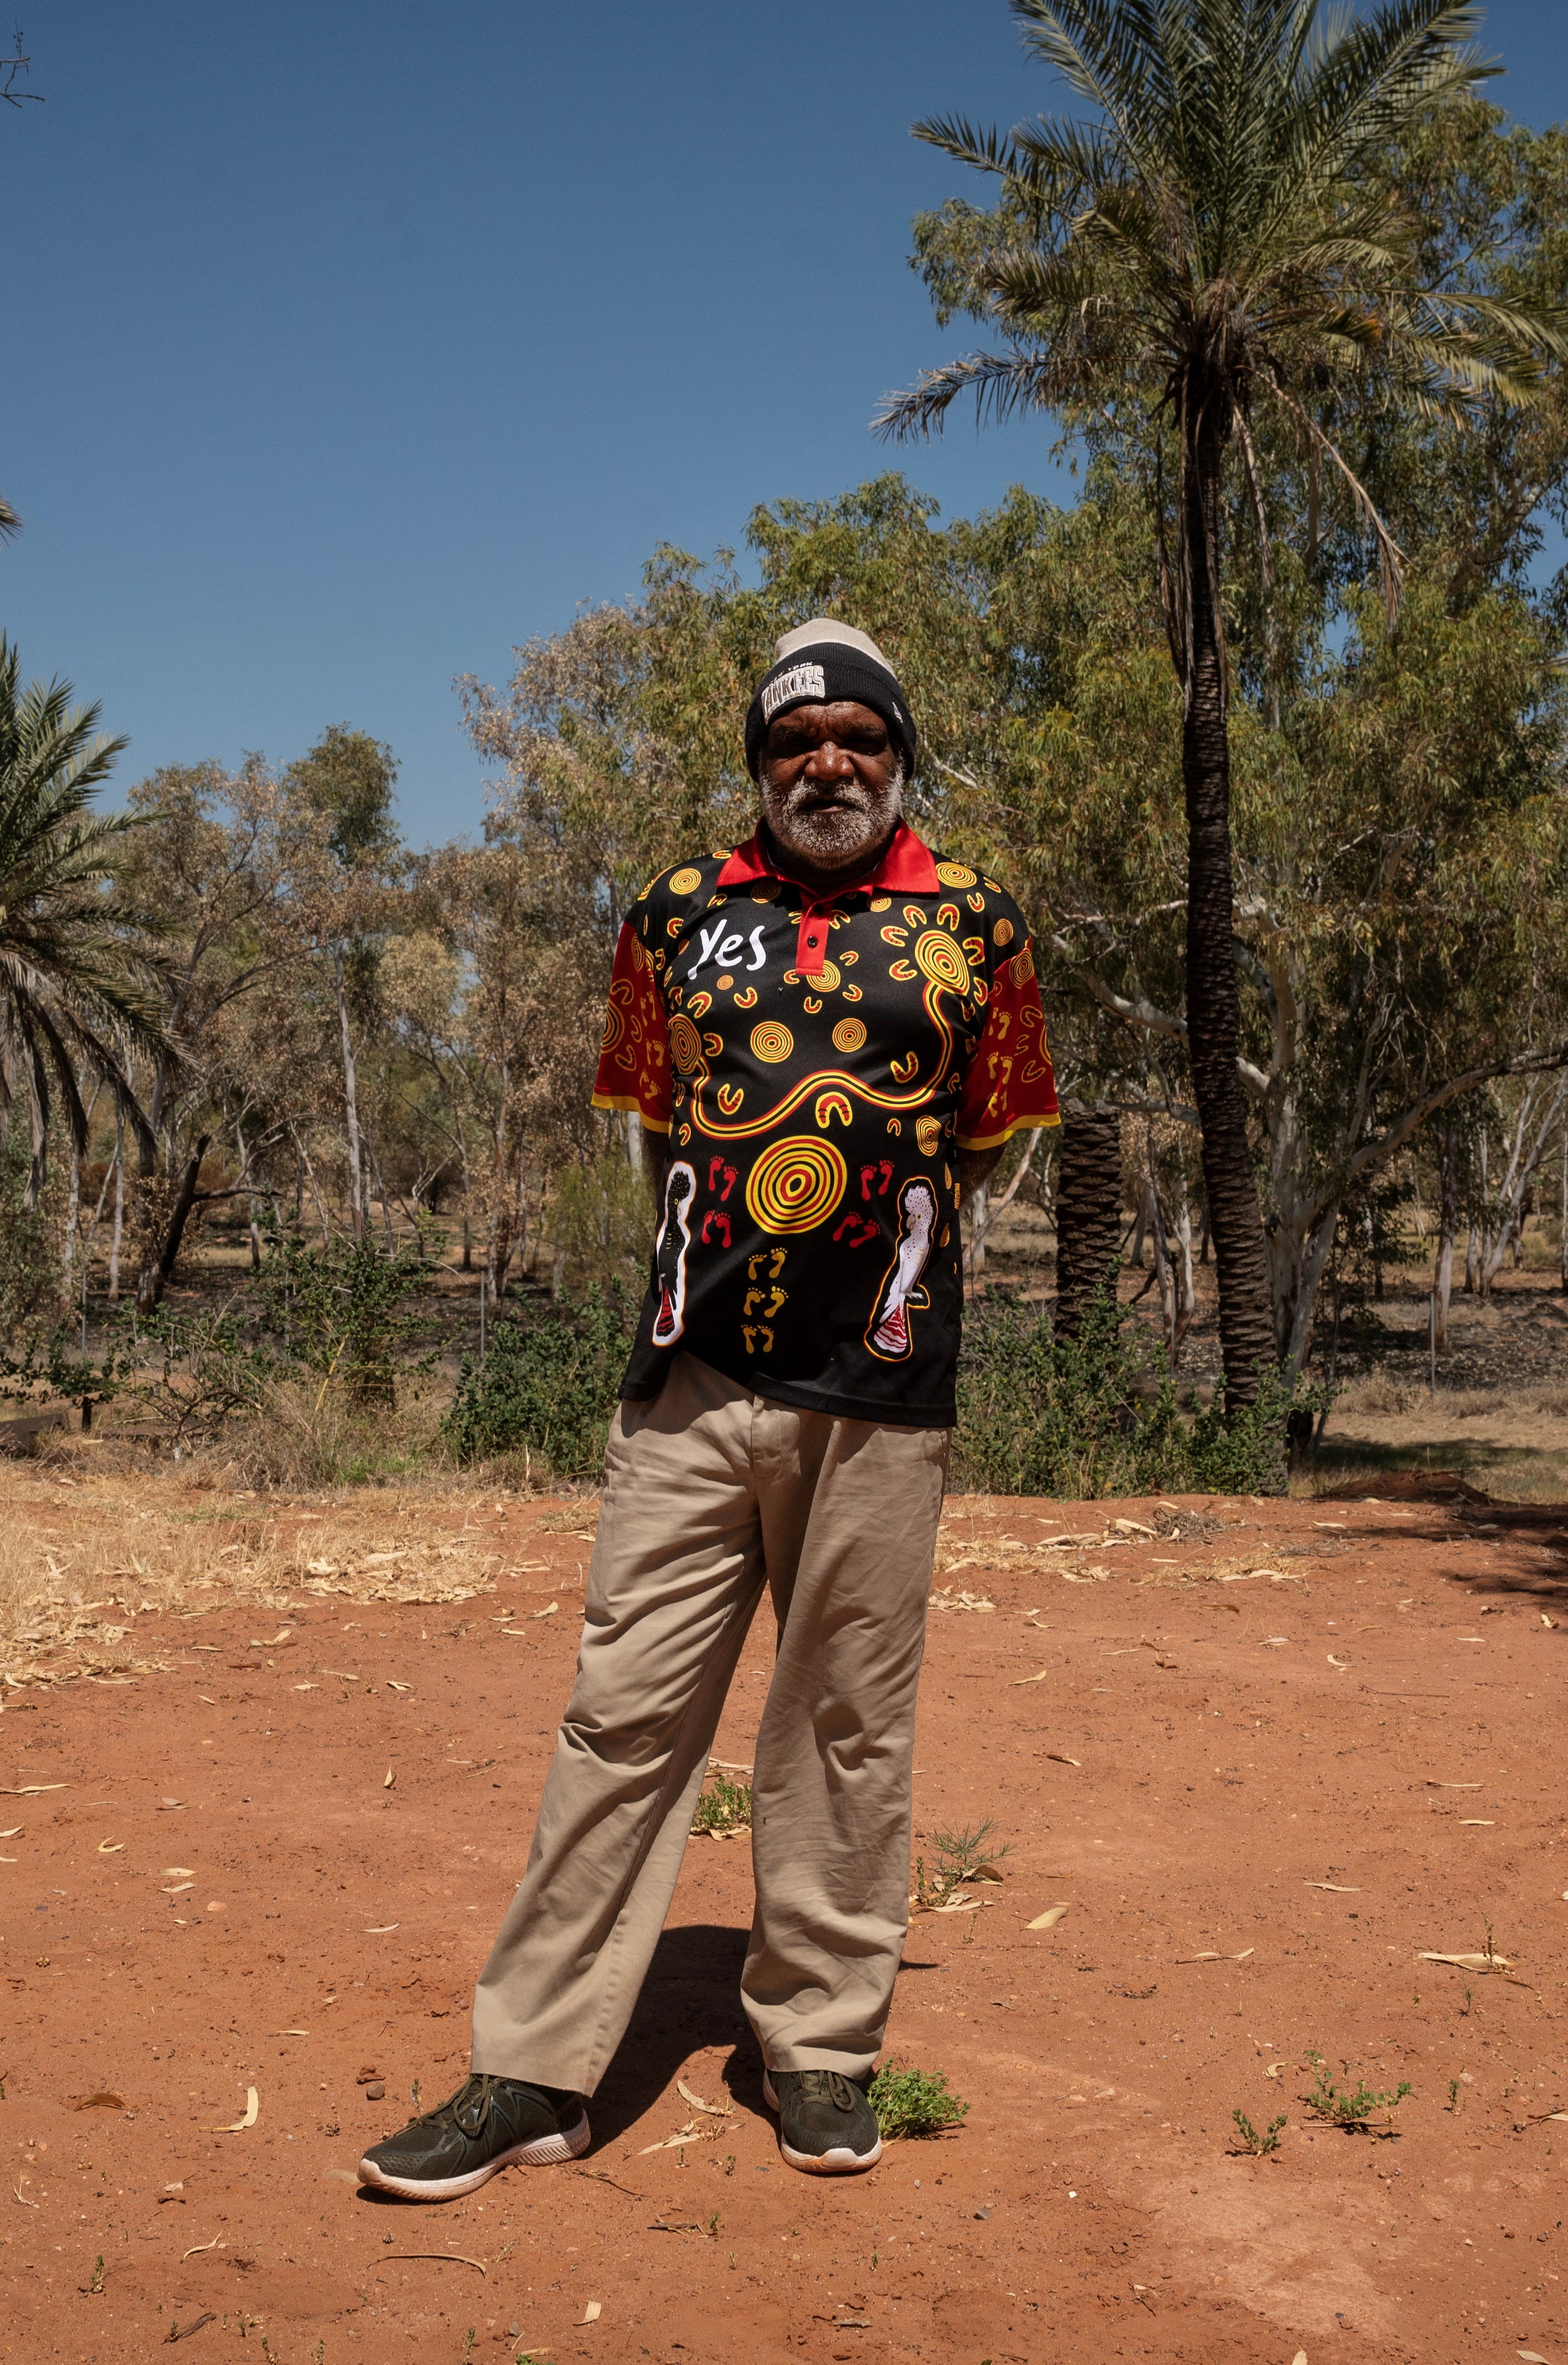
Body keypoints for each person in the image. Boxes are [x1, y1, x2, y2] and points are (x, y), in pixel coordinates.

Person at [357, 618, 1059, 2201]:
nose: (829, 764)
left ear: (899, 759)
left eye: (859, 741)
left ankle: (817, 2047)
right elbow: (647, 1122)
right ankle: (531, 2071)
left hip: (881, 1392)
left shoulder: (978, 925)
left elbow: (998, 1141)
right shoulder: (674, 913)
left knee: (846, 1726)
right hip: (688, 1382)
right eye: (797, 741)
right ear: (759, 763)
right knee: (621, 1714)